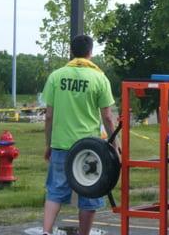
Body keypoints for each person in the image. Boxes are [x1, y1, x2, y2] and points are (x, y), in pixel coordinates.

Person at [41, 35, 117, 235]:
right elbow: (108, 118)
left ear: (71, 52)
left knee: (55, 192)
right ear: (90, 52)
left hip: (61, 144)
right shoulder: (99, 78)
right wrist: (115, 145)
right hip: (89, 148)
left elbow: (49, 115)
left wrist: (49, 143)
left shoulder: (56, 76)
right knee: (89, 195)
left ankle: (46, 231)